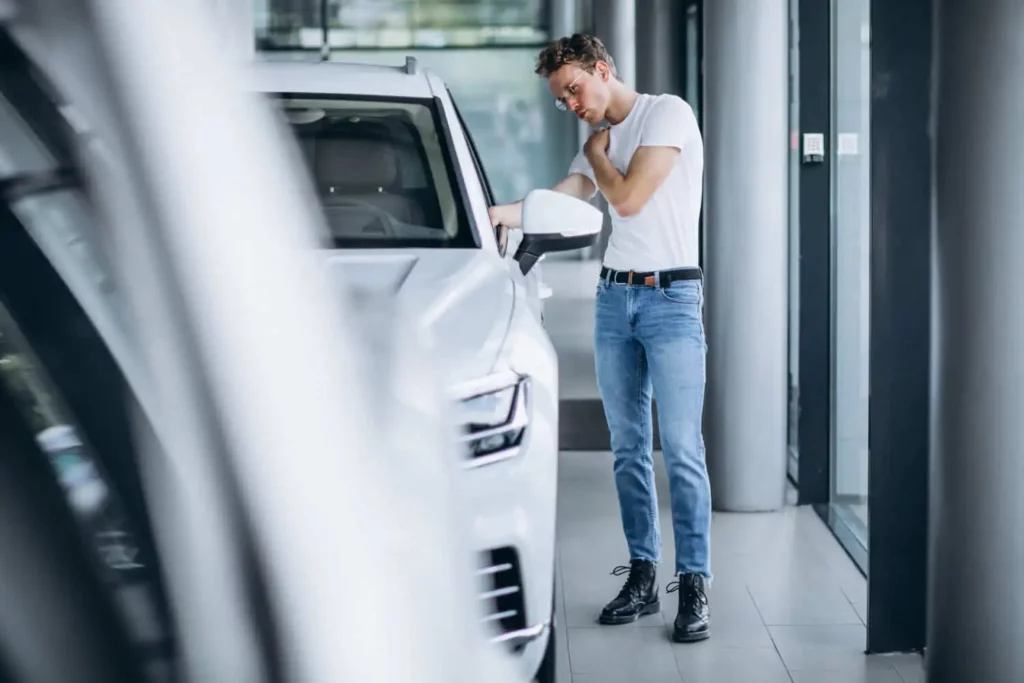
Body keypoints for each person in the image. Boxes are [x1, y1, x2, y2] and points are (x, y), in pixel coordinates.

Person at [488, 33, 711, 643]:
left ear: (603, 69)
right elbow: (566, 198)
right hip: (615, 299)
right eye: (561, 98)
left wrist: (595, 151)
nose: (570, 104)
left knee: (682, 449)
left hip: (671, 298)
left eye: (573, 89)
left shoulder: (665, 114)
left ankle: (693, 582)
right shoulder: (599, 143)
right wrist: (500, 215)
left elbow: (630, 199)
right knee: (628, 448)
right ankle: (642, 575)